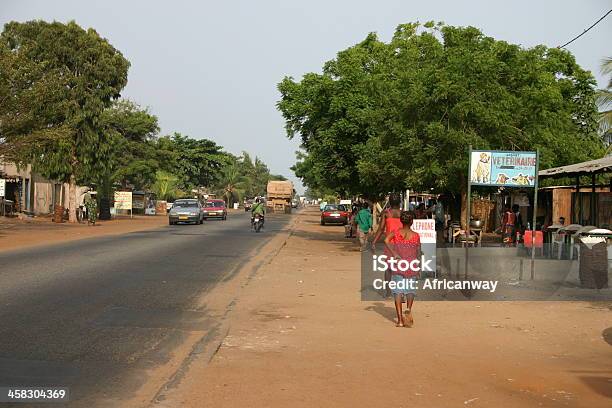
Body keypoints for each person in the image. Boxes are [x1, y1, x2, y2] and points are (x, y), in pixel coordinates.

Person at [384, 211, 421, 327]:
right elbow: (418, 253)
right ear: (412, 221)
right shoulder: (416, 235)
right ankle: (408, 309)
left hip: (399, 265)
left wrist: (394, 253)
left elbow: (386, 240)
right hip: (411, 265)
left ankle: (400, 320)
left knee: (398, 292)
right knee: (410, 290)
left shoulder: (395, 232)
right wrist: (419, 267)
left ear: (401, 221)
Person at [372, 193, 403, 297]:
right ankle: (401, 292)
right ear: (400, 202)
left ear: (389, 201)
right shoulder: (403, 213)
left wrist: (374, 242)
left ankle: (388, 292)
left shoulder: (386, 213)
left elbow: (381, 229)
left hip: (390, 244)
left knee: (388, 269)